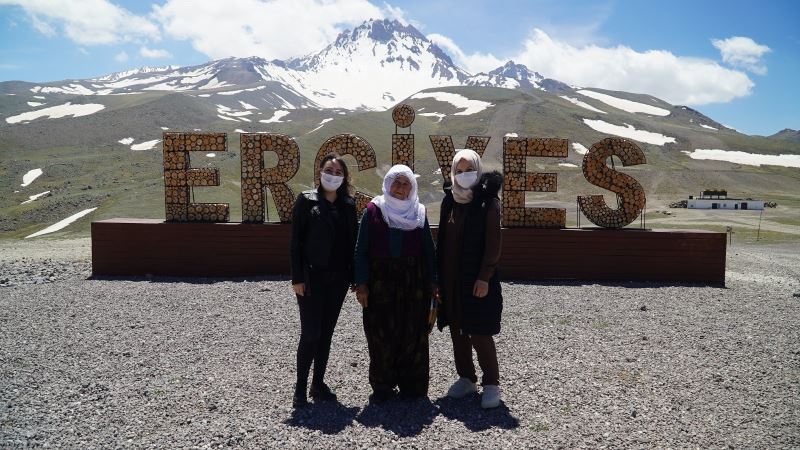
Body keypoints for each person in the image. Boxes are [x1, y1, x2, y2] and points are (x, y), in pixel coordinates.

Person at [354, 164, 438, 401]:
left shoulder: (418, 212)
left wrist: (433, 281)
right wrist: (361, 283)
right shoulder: (373, 210)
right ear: (388, 184)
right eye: (396, 182)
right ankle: (383, 385)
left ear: (412, 187)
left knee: (413, 332)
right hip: (380, 282)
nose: (401, 188)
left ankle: (413, 385)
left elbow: (428, 251)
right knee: (381, 332)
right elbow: (361, 249)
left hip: (414, 281)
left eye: (405, 183)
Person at [437, 149, 504, 409]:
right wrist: (438, 279)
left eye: (469, 170)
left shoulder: (488, 202)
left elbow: (494, 245)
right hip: (451, 279)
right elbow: (442, 240)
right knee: (457, 330)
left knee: (479, 331)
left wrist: (484, 276)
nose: (465, 175)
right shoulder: (449, 201)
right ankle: (466, 378)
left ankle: (491, 383)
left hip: (477, 279)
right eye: (460, 170)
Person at [290, 153, 358, 408]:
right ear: (319, 172)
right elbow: (295, 243)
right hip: (310, 278)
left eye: (338, 172)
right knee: (311, 333)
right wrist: (297, 277)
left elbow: (353, 243)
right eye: (329, 170)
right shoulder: (305, 201)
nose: (333, 175)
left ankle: (318, 384)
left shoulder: (349, 206)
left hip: (338, 280)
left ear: (344, 177)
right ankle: (299, 389)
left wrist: (354, 277)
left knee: (326, 333)